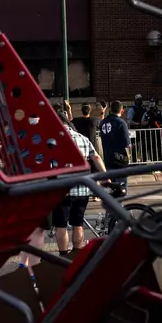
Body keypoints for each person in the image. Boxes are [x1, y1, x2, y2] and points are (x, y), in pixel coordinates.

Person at [50, 98, 105, 255]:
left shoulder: (52, 140)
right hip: (82, 187)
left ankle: (63, 255)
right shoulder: (82, 138)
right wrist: (106, 177)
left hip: (62, 187)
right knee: (78, 223)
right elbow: (96, 157)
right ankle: (77, 253)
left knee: (61, 225)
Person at [100, 100, 132, 196]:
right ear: (122, 111)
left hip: (107, 158)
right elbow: (127, 144)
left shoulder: (103, 123)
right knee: (121, 189)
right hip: (119, 161)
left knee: (111, 188)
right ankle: (117, 209)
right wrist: (128, 158)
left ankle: (110, 208)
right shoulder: (121, 123)